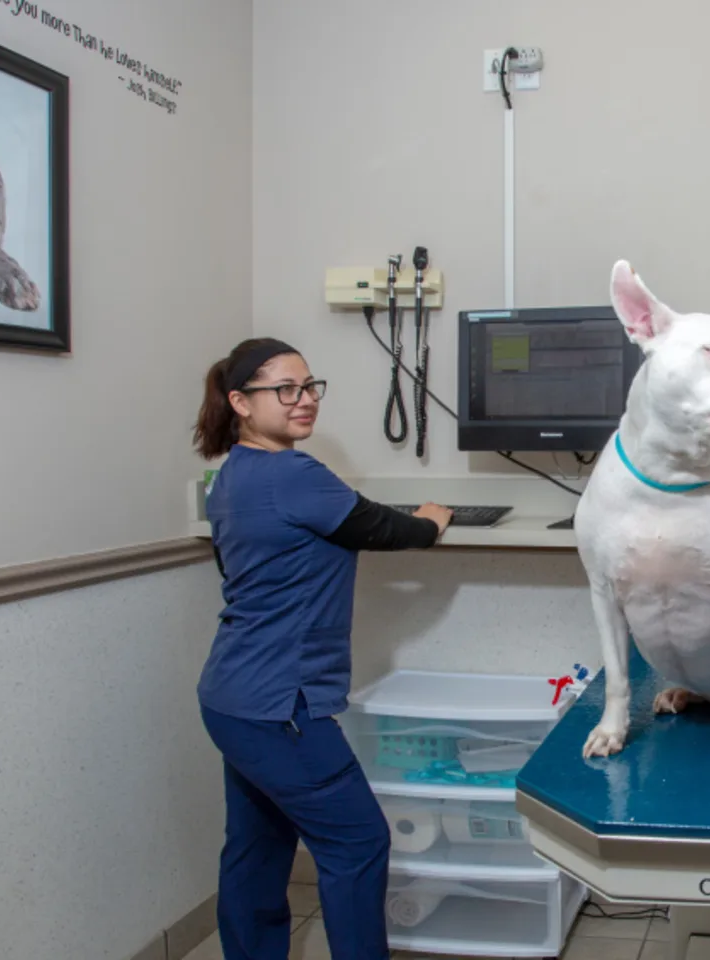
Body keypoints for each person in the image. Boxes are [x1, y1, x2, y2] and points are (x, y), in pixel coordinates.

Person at [191, 337, 454, 960]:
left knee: (256, 847)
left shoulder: (231, 475)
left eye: (310, 387)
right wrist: (434, 519)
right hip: (283, 706)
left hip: (231, 699)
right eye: (285, 390)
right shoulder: (293, 474)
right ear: (240, 402)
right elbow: (388, 529)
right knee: (358, 842)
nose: (304, 401)